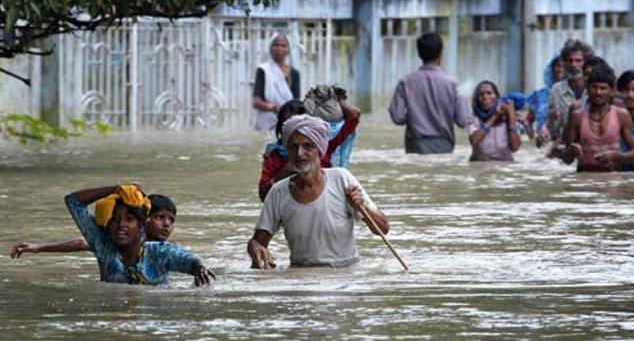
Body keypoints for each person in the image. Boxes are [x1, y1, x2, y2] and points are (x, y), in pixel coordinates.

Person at [248, 115, 390, 268]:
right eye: (294, 147)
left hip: (346, 274)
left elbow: (383, 229)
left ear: (320, 151)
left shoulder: (341, 179)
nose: (300, 153)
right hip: (301, 276)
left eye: (307, 146)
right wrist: (256, 249)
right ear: (287, 151)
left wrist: (362, 206)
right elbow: (257, 241)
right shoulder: (278, 191)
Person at [64, 184, 214, 286]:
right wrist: (114, 189)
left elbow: (191, 261)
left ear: (142, 225)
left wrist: (200, 268)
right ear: (108, 226)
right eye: (115, 220)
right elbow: (73, 201)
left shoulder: (160, 252)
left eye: (129, 220)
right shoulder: (103, 247)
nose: (121, 225)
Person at [258, 97, 361, 201]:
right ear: (283, 132)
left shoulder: (324, 145)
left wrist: (332, 96)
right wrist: (286, 172)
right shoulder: (274, 155)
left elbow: (354, 115)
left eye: (307, 146)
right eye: (291, 127)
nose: (300, 153)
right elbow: (264, 196)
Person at [10, 195, 177, 258]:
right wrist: (39, 247)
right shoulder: (117, 243)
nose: (166, 225)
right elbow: (82, 243)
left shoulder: (169, 250)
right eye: (160, 217)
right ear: (144, 219)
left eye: (171, 220)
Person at [389, 32, 469, 154]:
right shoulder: (452, 83)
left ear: (419, 54)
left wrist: (414, 116)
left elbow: (397, 117)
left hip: (415, 144)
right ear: (440, 54)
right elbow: (462, 120)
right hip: (444, 143)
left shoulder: (405, 82)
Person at [561, 66, 634, 172]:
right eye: (594, 87)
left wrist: (615, 156)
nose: (598, 92)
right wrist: (571, 152)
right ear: (587, 89)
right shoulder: (577, 116)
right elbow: (566, 159)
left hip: (612, 178)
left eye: (603, 88)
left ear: (612, 91)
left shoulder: (622, 115)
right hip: (584, 178)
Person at [547, 39, 595, 151]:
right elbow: (554, 130)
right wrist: (552, 121)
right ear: (564, 62)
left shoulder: (597, 89)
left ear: (586, 63)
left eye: (578, 61)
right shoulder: (556, 90)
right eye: (570, 60)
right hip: (566, 147)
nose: (574, 65)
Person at [253, 33, 301, 132]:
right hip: (266, 122)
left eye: (283, 45)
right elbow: (256, 102)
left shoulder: (294, 73)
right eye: (276, 45)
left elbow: (297, 103)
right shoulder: (263, 70)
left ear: (288, 50)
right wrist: (272, 107)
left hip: (288, 123)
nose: (279, 48)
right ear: (270, 49)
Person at [468, 81, 524, 161]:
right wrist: (494, 117)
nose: (485, 97)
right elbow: (474, 140)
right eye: (481, 94)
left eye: (489, 93)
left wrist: (511, 116)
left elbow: (515, 147)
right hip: (480, 165)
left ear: (497, 97)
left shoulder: (509, 118)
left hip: (505, 166)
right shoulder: (474, 118)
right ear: (477, 99)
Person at [525, 55, 565, 146]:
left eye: (564, 66)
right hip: (543, 144)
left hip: (565, 144)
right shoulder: (539, 95)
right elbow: (528, 121)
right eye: (558, 66)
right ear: (552, 69)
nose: (561, 69)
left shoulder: (573, 94)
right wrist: (532, 140)